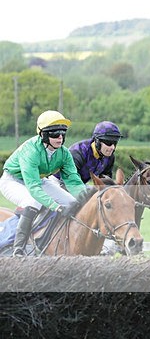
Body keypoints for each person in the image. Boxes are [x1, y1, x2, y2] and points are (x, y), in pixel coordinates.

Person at [0, 110, 87, 256]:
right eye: (54, 134)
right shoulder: (31, 151)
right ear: (43, 134)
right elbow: (33, 188)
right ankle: (18, 248)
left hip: (39, 180)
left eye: (63, 133)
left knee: (73, 203)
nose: (60, 137)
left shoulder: (64, 153)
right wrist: (55, 206)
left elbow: (73, 181)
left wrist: (87, 199)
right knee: (32, 200)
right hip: (12, 181)